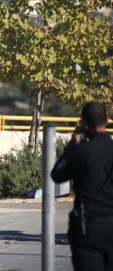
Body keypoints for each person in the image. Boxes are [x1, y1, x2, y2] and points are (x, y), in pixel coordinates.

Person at [52, 101, 113, 271]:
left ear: (85, 124)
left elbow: (57, 174)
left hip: (88, 228)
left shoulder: (81, 151)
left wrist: (72, 146)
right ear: (106, 121)